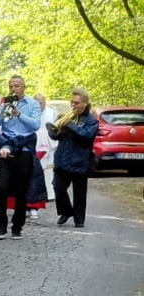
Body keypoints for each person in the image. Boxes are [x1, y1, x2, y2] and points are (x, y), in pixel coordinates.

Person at [0, 76, 42, 240]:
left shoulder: (32, 104)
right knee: (2, 187)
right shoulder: (5, 102)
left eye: (17, 86)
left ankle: (17, 226)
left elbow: (35, 125)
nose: (14, 89)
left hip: (24, 148)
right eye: (11, 86)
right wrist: (4, 110)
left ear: (24, 87)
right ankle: (1, 225)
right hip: (6, 147)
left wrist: (18, 114)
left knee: (21, 190)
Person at [48, 88, 99, 228]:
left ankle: (79, 219)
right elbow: (56, 136)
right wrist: (55, 129)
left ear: (85, 103)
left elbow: (87, 136)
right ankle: (66, 211)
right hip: (62, 159)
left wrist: (70, 125)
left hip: (80, 160)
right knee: (57, 187)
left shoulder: (91, 120)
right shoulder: (68, 117)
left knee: (79, 193)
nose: (73, 106)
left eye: (76, 103)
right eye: (72, 102)